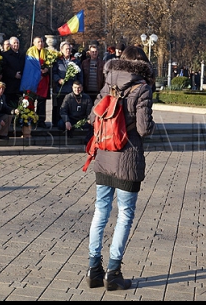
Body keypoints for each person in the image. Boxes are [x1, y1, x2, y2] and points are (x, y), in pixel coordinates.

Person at [86, 45, 154, 291]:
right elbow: (145, 128)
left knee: (100, 212)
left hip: (104, 156)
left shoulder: (108, 83)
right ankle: (113, 273)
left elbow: (93, 117)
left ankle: (94, 270)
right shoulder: (142, 88)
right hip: (127, 159)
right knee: (124, 214)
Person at [21, 36, 50, 128]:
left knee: (42, 102)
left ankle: (41, 120)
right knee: (30, 100)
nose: (40, 43)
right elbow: (29, 67)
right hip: (32, 80)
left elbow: (50, 64)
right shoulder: (30, 52)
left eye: (41, 41)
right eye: (38, 42)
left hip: (43, 80)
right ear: (33, 43)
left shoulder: (47, 52)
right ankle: (30, 119)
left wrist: (46, 70)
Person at [52, 41, 79, 126]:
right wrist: (58, 79)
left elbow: (80, 74)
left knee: (70, 107)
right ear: (61, 50)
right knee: (60, 107)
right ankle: (58, 124)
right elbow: (54, 72)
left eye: (69, 49)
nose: (68, 51)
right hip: (61, 88)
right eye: (66, 49)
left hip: (72, 88)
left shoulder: (76, 61)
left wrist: (79, 84)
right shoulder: (57, 61)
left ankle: (70, 124)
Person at [2, 36, 25, 106]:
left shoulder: (22, 55)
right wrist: (14, 74)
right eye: (14, 43)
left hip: (19, 85)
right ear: (10, 44)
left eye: (17, 43)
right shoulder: (5, 55)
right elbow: (4, 68)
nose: (16, 45)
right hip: (10, 85)